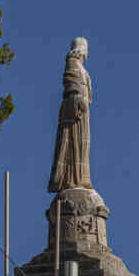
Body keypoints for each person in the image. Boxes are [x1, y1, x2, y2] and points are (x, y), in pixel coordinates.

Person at [48, 37, 93, 193]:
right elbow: (71, 82)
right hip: (74, 108)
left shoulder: (81, 67)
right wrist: (78, 97)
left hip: (82, 110)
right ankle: (71, 178)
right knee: (73, 143)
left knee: (82, 144)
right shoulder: (73, 62)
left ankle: (81, 177)